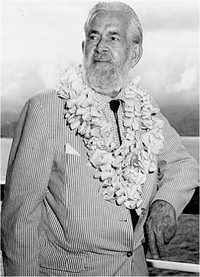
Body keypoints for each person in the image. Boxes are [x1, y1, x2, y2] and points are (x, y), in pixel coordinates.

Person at [1, 2, 199, 276]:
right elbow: (19, 218)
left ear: (135, 53)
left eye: (113, 38)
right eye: (93, 36)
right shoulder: (46, 108)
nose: (100, 47)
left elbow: (184, 165)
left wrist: (166, 202)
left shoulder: (144, 108)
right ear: (83, 48)